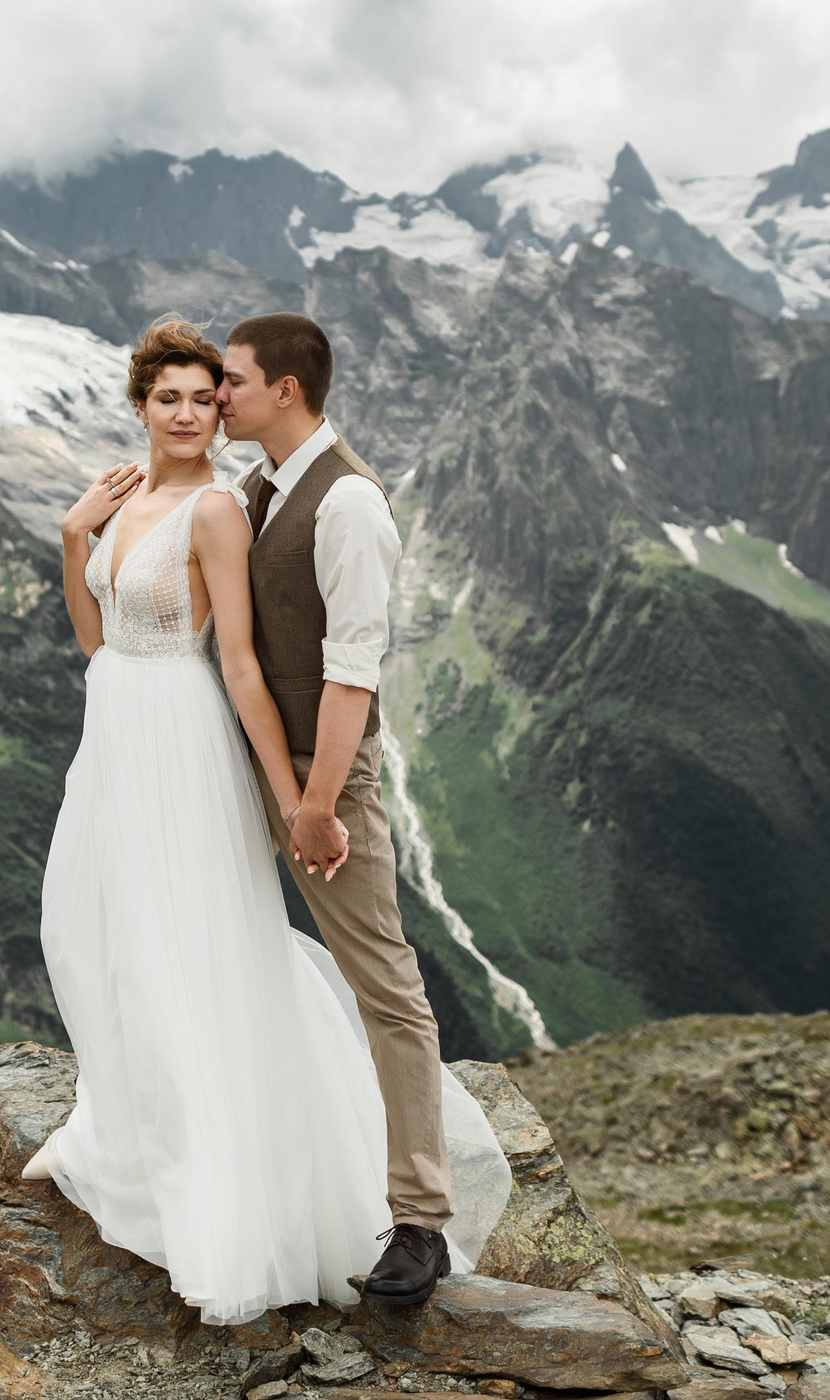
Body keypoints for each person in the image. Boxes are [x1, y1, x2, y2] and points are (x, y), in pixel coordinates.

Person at [25, 314, 506, 1326]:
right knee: (168, 942)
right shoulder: (255, 486)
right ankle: (164, 1133)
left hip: (309, 769)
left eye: (225, 385)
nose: (211, 403)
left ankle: (415, 1213)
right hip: (188, 749)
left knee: (381, 980)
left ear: (279, 389)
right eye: (186, 393)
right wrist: (76, 533)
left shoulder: (345, 504)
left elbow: (346, 666)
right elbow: (112, 631)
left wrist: (314, 800)